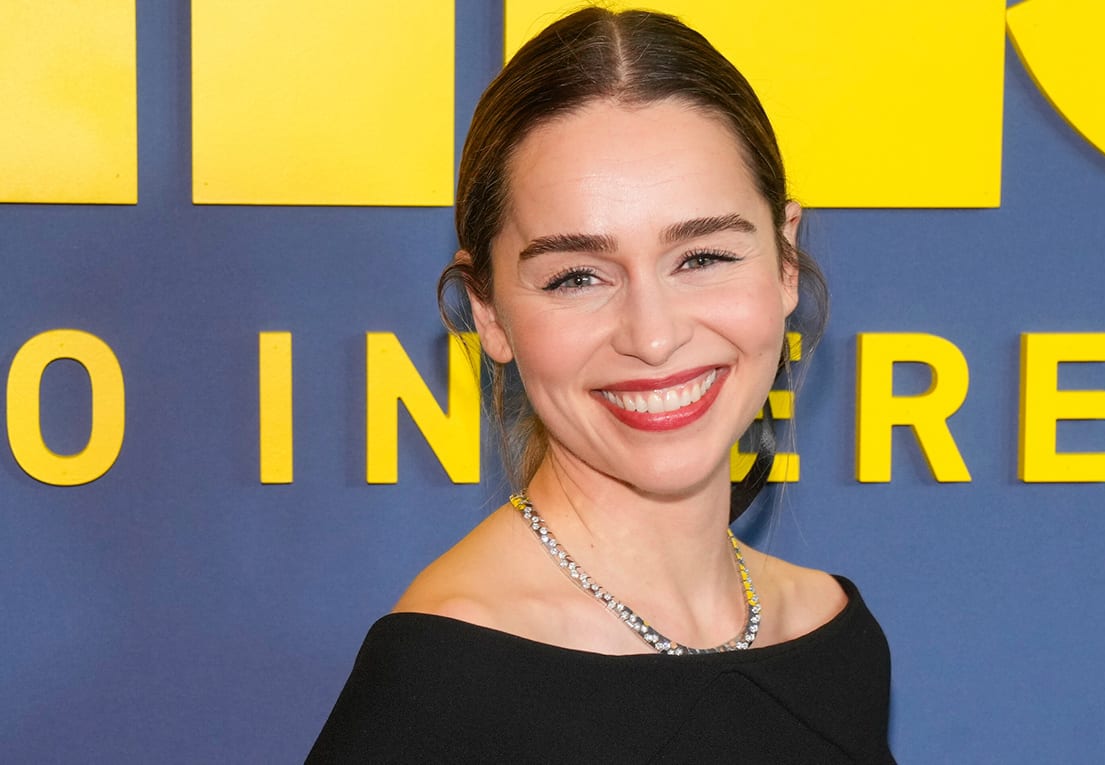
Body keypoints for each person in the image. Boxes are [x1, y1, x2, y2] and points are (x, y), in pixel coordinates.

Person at [308, 7, 893, 763]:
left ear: (785, 261)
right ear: (487, 311)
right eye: (578, 276)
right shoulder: (444, 682)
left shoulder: (831, 633)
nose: (652, 336)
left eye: (703, 258)